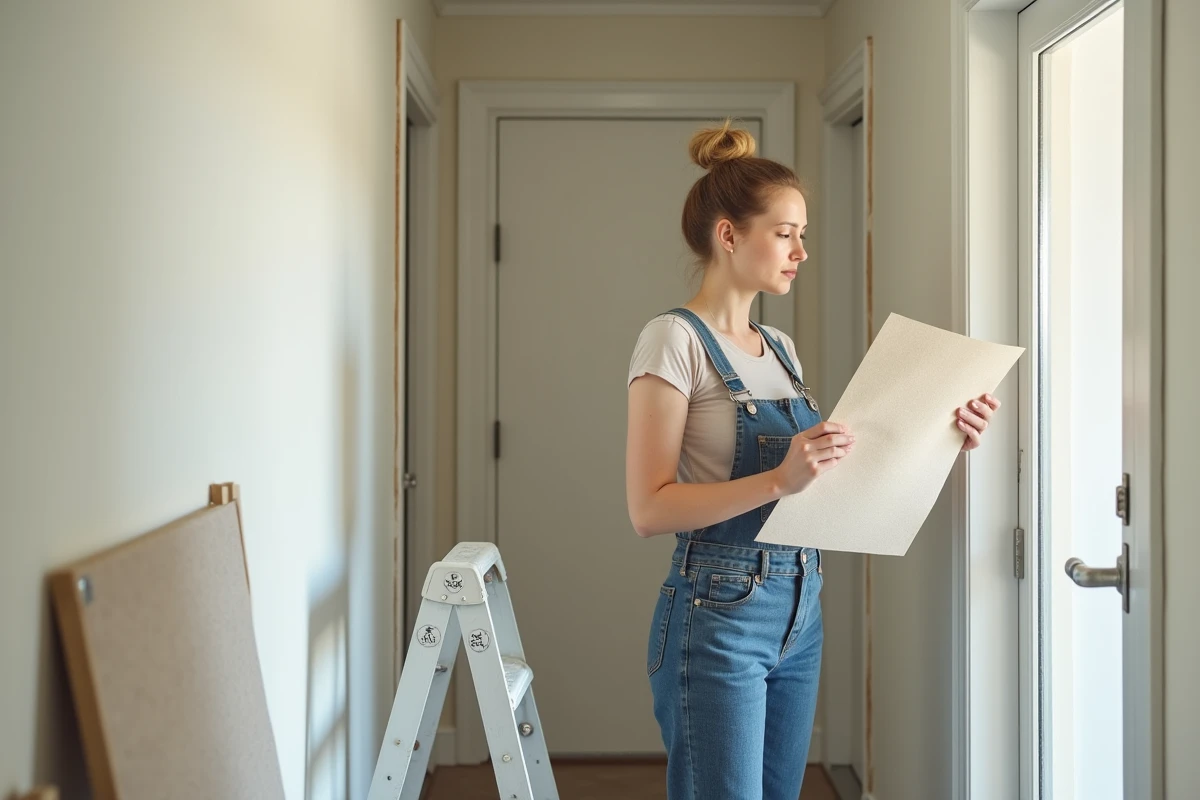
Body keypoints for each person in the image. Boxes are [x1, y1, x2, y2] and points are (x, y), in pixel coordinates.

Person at [624, 119, 999, 800]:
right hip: (720, 611)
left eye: (803, 234)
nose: (800, 251)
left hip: (801, 607)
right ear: (729, 235)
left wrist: (945, 432)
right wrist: (776, 478)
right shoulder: (671, 340)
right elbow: (648, 507)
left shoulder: (781, 347)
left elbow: (827, 480)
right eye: (785, 233)